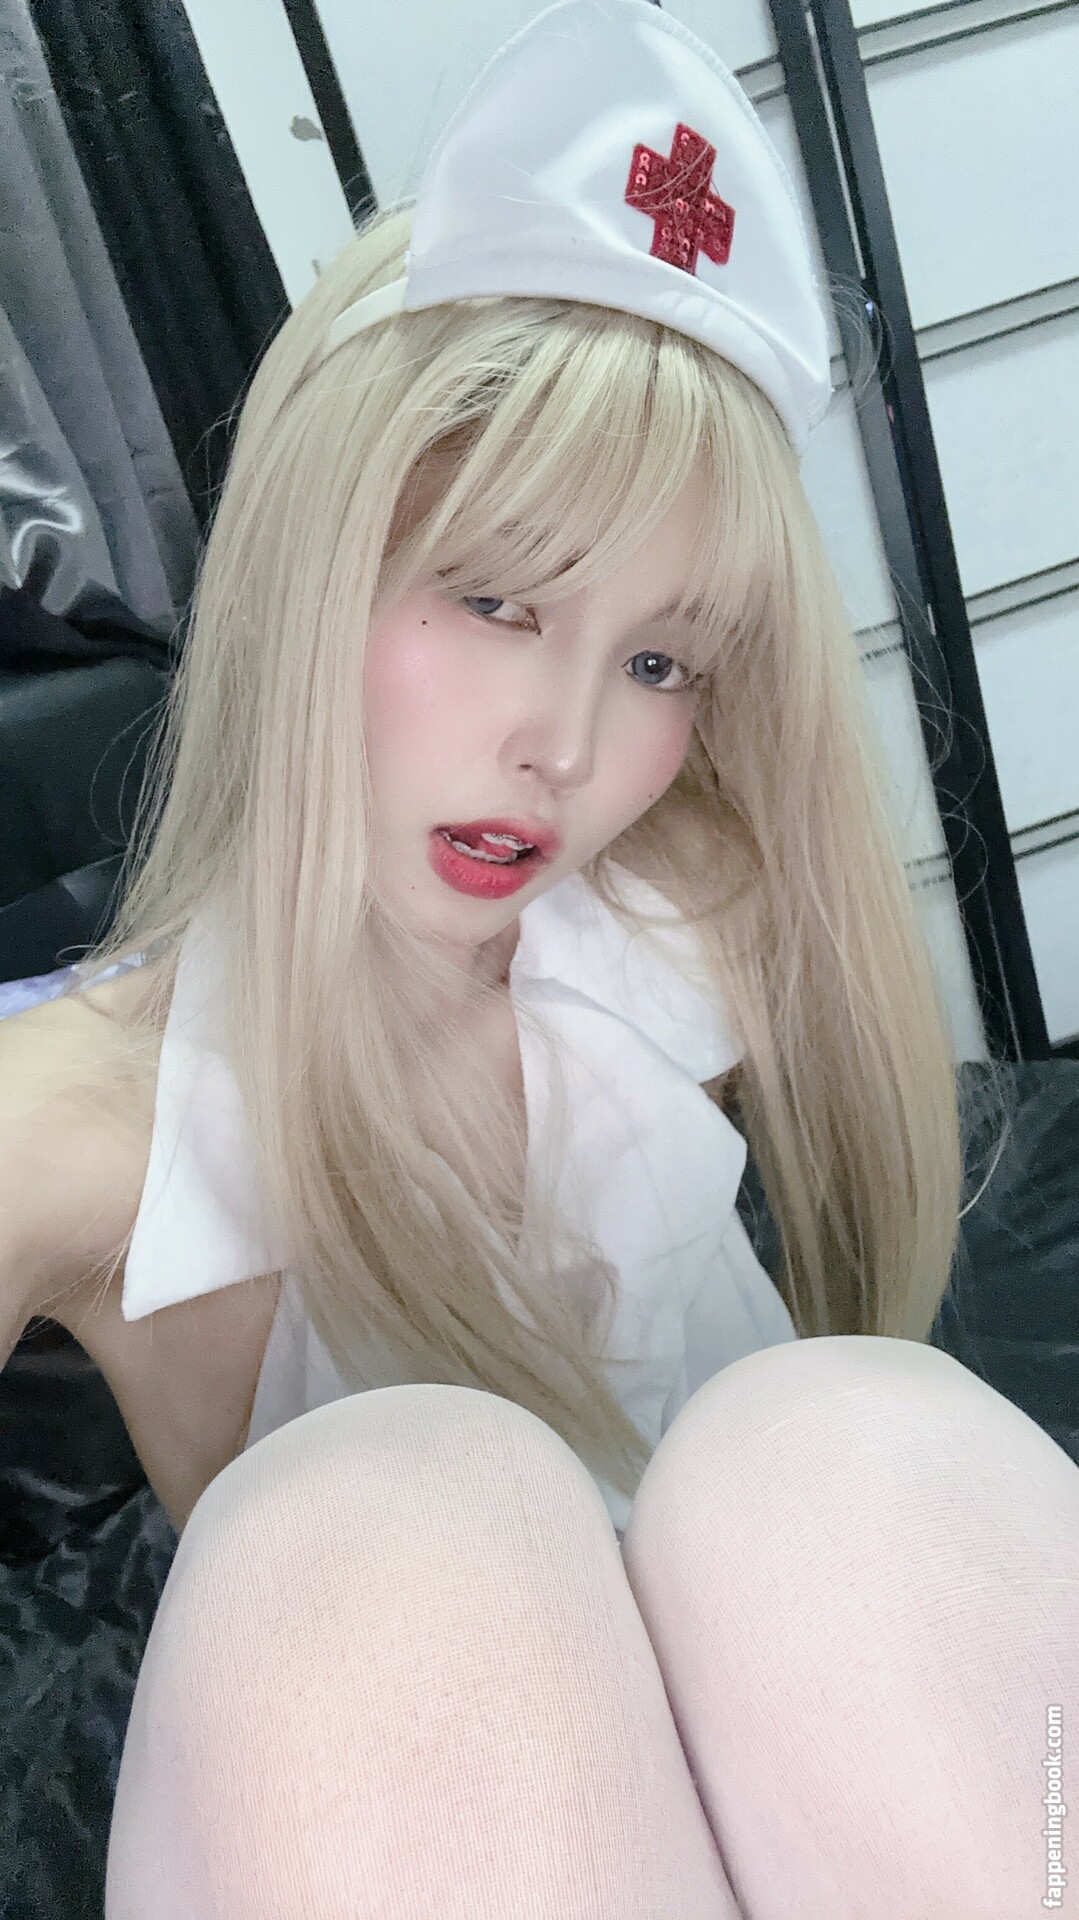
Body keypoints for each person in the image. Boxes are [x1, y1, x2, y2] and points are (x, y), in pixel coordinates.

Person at [1, 2, 1074, 1912]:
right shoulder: (79, 1132)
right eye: (495, 598)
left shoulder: (683, 917)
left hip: (841, 1787)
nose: (567, 751)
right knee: (402, 1520)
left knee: (838, 1437)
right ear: (309, 556)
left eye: (659, 659)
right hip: (447, 1817)